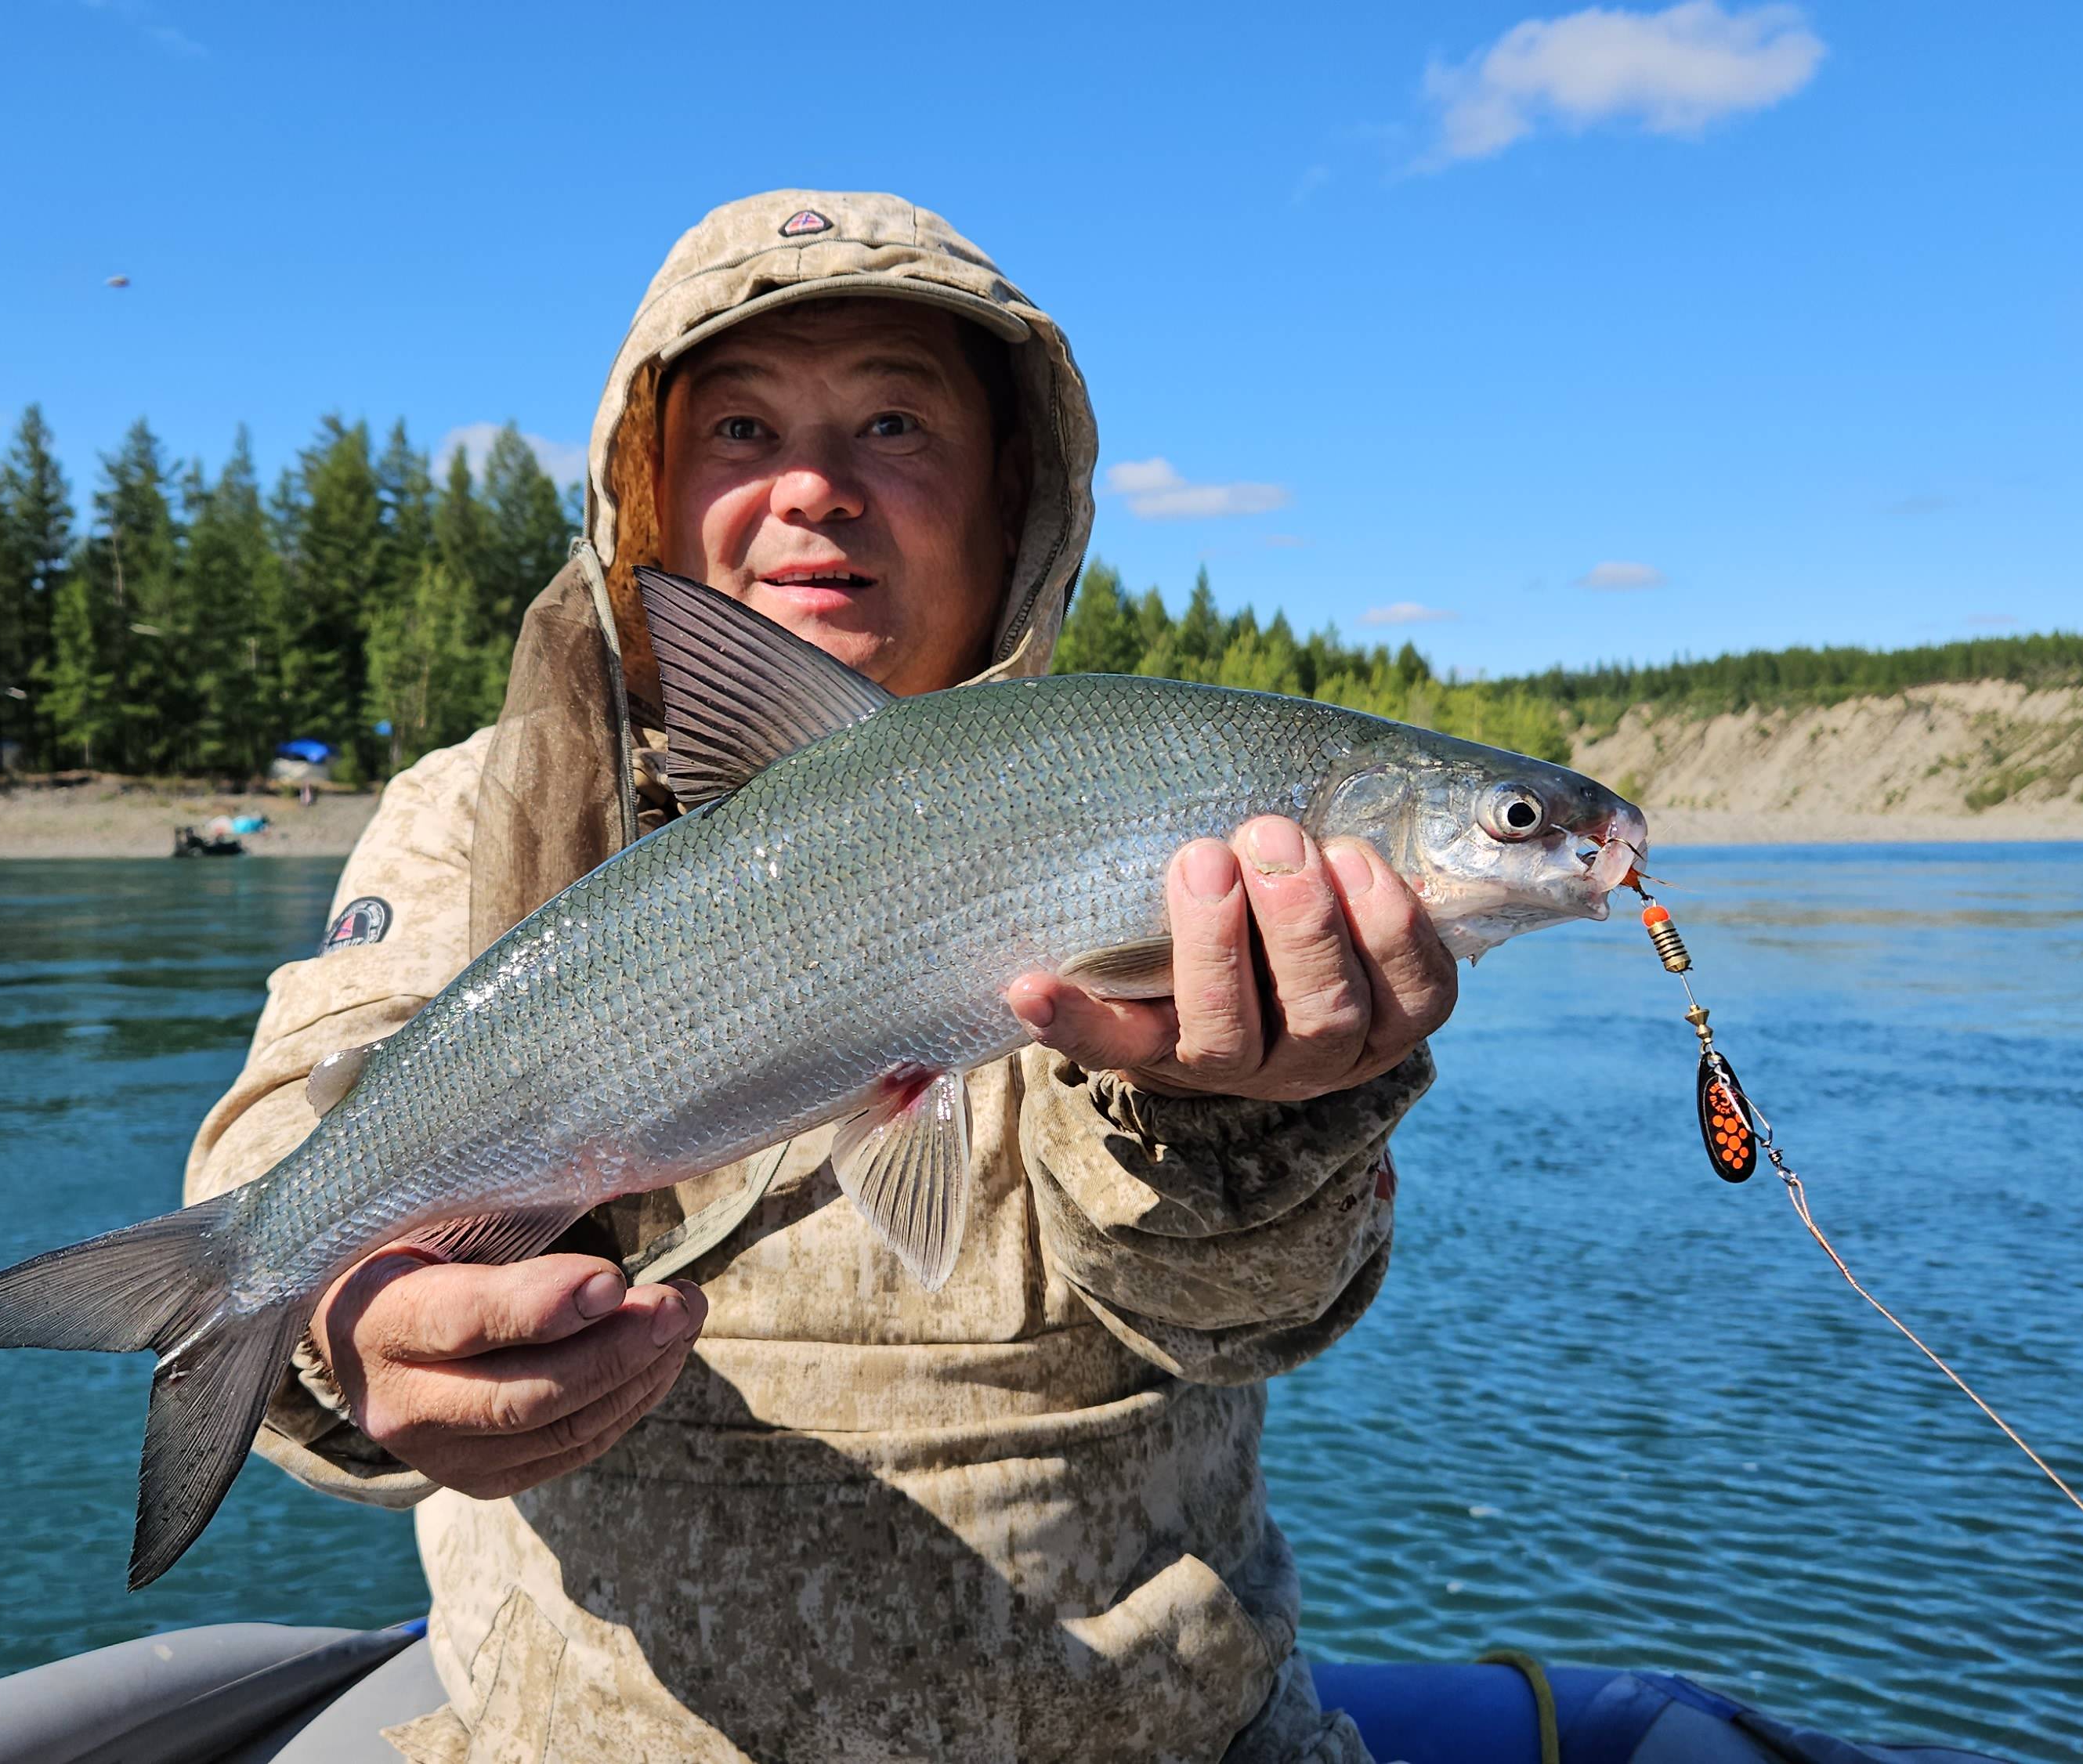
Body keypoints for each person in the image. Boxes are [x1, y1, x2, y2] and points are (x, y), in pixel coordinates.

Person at [186, 191, 1456, 1763]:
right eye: (736, 426)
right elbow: (292, 1114)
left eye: (892, 421)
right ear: (645, 500)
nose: (811, 488)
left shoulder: (1171, 823)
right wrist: (346, 1306)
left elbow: (1235, 1313)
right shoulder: (475, 812)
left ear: (1015, 504)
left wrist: (1240, 1122)